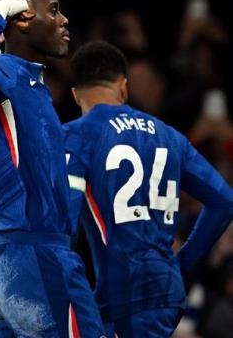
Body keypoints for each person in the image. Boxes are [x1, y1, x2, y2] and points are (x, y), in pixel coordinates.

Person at [0, 0, 106, 337]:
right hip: (33, 252)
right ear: (23, 18)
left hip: (13, 254)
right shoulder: (5, 72)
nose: (64, 20)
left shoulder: (31, 84)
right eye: (53, 11)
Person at [62, 40, 233, 337]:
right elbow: (224, 201)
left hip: (124, 295)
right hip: (167, 292)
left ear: (76, 95)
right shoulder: (169, 135)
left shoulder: (76, 135)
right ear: (124, 86)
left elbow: (63, 221)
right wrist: (182, 264)